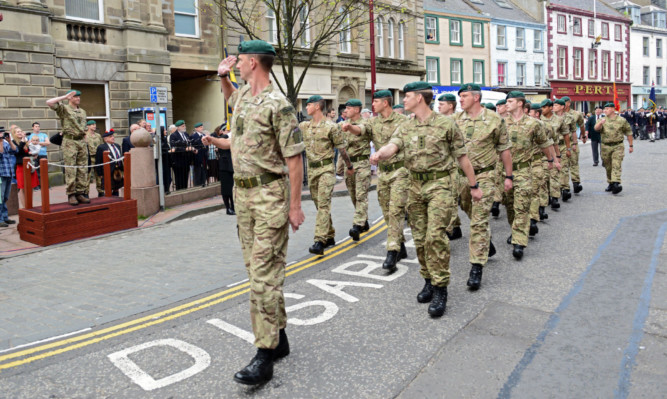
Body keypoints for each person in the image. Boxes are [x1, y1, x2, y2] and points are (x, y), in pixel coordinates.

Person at [215, 39, 305, 385]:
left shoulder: (278, 105)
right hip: (244, 196)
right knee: (257, 271)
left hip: (270, 195)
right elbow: (230, 97)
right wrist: (223, 77)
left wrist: (295, 206)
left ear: (253, 62)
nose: (236, 64)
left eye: (239, 61)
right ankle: (279, 338)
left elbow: (294, 159)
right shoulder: (243, 96)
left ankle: (264, 354)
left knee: (263, 279)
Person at [372, 81, 481, 317]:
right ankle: (429, 280)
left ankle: (441, 288)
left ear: (419, 98)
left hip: (440, 184)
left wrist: (474, 186)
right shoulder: (406, 125)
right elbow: (394, 145)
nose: (404, 100)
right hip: (414, 186)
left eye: (407, 96)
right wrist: (381, 153)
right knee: (420, 239)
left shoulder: (446, 124)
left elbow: (462, 158)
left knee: (435, 237)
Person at [453, 83, 512, 289]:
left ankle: (476, 267)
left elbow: (504, 150)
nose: (460, 99)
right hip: (460, 178)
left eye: (464, 96)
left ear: (476, 98)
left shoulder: (494, 120)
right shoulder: (455, 120)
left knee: (478, 222)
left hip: (485, 176)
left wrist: (508, 176)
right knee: (469, 212)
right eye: (459, 96)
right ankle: (487, 243)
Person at [503, 91, 554, 260]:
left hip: (524, 170)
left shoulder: (534, 124)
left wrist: (551, 159)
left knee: (522, 206)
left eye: (510, 101)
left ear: (520, 103)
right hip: (503, 172)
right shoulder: (501, 123)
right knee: (510, 206)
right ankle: (515, 230)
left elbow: (544, 143)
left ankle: (519, 242)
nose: (506, 104)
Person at [301, 95, 352, 255]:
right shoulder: (304, 126)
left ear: (317, 106)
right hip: (312, 170)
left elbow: (341, 149)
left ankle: (319, 240)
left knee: (323, 204)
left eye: (308, 105)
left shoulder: (331, 127)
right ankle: (329, 235)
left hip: (326, 169)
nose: (306, 107)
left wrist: (348, 166)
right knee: (319, 204)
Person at [369, 90, 408, 270]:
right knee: (386, 210)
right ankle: (400, 245)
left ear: (385, 103)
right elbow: (361, 130)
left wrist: (379, 154)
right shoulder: (373, 122)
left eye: (375, 101)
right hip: (383, 173)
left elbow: (396, 144)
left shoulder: (403, 122)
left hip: (400, 170)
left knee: (395, 210)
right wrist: (349, 127)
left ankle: (392, 251)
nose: (372, 104)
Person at [46, 90, 90, 206]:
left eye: (79, 97)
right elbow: (49, 102)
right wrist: (64, 97)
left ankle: (80, 192)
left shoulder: (82, 111)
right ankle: (71, 194)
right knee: (71, 168)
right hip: (69, 141)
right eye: (75, 97)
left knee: (82, 168)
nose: (78, 98)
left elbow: (83, 128)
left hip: (80, 141)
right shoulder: (64, 109)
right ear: (70, 98)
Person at [340, 99, 372, 241]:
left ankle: (357, 226)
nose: (346, 110)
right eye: (345, 108)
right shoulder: (342, 125)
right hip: (349, 166)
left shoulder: (365, 123)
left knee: (361, 195)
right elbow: (341, 147)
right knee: (353, 195)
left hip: (362, 164)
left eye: (349, 108)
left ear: (357, 110)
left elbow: (359, 130)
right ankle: (363, 221)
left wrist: (349, 127)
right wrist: (340, 168)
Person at [594, 103, 633, 194]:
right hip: (605, 146)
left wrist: (631, 145)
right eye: (605, 109)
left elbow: (628, 132)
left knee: (616, 163)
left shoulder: (621, 120)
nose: (605, 110)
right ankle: (611, 182)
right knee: (608, 166)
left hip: (618, 146)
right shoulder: (602, 119)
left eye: (607, 109)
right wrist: (600, 123)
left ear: (612, 109)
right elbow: (596, 128)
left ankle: (616, 183)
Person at [540, 99, 568, 211]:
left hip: (555, 147)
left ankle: (555, 197)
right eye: (541, 108)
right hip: (540, 151)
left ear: (550, 108)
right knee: (544, 177)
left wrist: (564, 151)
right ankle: (545, 198)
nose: (542, 110)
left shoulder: (559, 120)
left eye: (545, 107)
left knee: (554, 174)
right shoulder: (538, 120)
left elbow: (565, 135)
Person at [10, 127, 39, 209]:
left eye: (20, 131)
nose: (20, 133)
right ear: (14, 134)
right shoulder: (13, 142)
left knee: (31, 186)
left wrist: (33, 154)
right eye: (17, 132)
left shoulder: (26, 142)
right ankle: (25, 207)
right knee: (22, 187)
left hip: (29, 166)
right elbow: (17, 151)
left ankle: (30, 205)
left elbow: (27, 153)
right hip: (21, 167)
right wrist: (22, 141)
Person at [208, 124, 234, 214]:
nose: (229, 131)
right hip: (226, 166)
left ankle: (232, 207)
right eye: (227, 129)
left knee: (231, 189)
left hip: (229, 166)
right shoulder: (224, 137)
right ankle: (229, 208)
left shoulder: (227, 137)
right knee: (227, 189)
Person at [563, 97, 583, 195]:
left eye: (565, 103)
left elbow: (581, 125)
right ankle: (564, 186)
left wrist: (583, 135)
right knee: (564, 165)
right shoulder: (557, 115)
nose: (563, 105)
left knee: (574, 163)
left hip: (572, 141)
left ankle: (576, 183)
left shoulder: (576, 114)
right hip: (561, 143)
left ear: (569, 103)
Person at [95, 129, 124, 196]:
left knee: (117, 188)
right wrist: (100, 174)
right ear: (105, 139)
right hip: (108, 171)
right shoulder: (101, 147)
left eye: (113, 136)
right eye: (110, 136)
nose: (113, 137)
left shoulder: (117, 145)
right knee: (108, 189)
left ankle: (116, 201)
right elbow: (98, 161)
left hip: (117, 171)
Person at [0, 127, 17, 226]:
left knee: (6, 197)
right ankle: (0, 219)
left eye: (2, 132)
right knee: (0, 197)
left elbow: (15, 150)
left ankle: (5, 217)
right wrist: (1, 142)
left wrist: (10, 141)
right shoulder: (1, 143)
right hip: (1, 174)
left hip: (8, 172)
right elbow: (0, 153)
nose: (2, 134)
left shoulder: (5, 142)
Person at [169, 120, 192, 190]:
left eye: (184, 125)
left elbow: (189, 144)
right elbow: (174, 147)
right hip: (178, 160)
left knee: (185, 178)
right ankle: (179, 191)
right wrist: (185, 149)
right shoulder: (173, 135)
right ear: (178, 127)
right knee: (179, 179)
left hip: (186, 160)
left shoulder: (186, 134)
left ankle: (185, 190)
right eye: (183, 126)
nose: (185, 127)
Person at [83, 120, 104, 198]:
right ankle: (86, 193)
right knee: (87, 176)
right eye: (92, 125)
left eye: (95, 124)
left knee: (99, 175)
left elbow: (101, 145)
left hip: (97, 157)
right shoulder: (84, 135)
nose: (94, 126)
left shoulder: (98, 135)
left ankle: (101, 191)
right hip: (88, 157)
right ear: (88, 126)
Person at [28, 122, 50, 190]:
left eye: (38, 126)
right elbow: (29, 144)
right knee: (35, 170)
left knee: (44, 170)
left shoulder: (43, 135)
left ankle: (45, 185)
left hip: (43, 154)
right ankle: (37, 185)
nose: (37, 127)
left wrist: (38, 143)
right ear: (33, 127)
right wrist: (40, 144)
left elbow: (48, 143)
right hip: (34, 155)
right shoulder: (30, 136)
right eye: (36, 126)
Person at [190, 123, 208, 187]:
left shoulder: (204, 135)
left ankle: (203, 183)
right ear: (196, 128)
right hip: (197, 156)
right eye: (200, 127)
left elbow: (206, 144)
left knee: (204, 171)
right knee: (197, 172)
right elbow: (193, 146)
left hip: (204, 155)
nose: (202, 128)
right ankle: (197, 185)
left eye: (202, 127)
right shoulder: (193, 136)